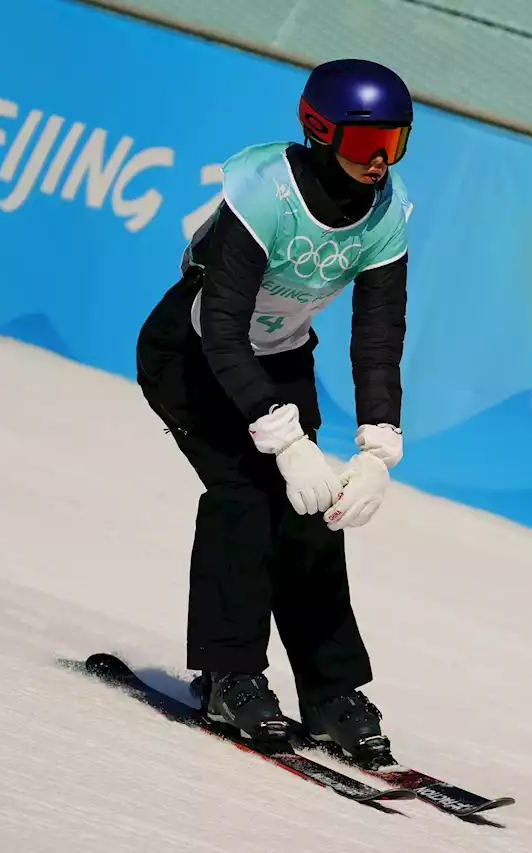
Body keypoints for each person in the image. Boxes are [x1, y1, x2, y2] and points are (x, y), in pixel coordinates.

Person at [134, 58, 414, 759]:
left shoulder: (385, 212)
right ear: (320, 131)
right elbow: (221, 326)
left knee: (316, 512)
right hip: (193, 354)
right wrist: (284, 440)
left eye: (395, 143)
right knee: (245, 496)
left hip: (280, 358)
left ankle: (330, 693)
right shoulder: (264, 192)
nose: (379, 162)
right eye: (363, 145)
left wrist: (378, 448)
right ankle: (230, 674)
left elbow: (377, 338)